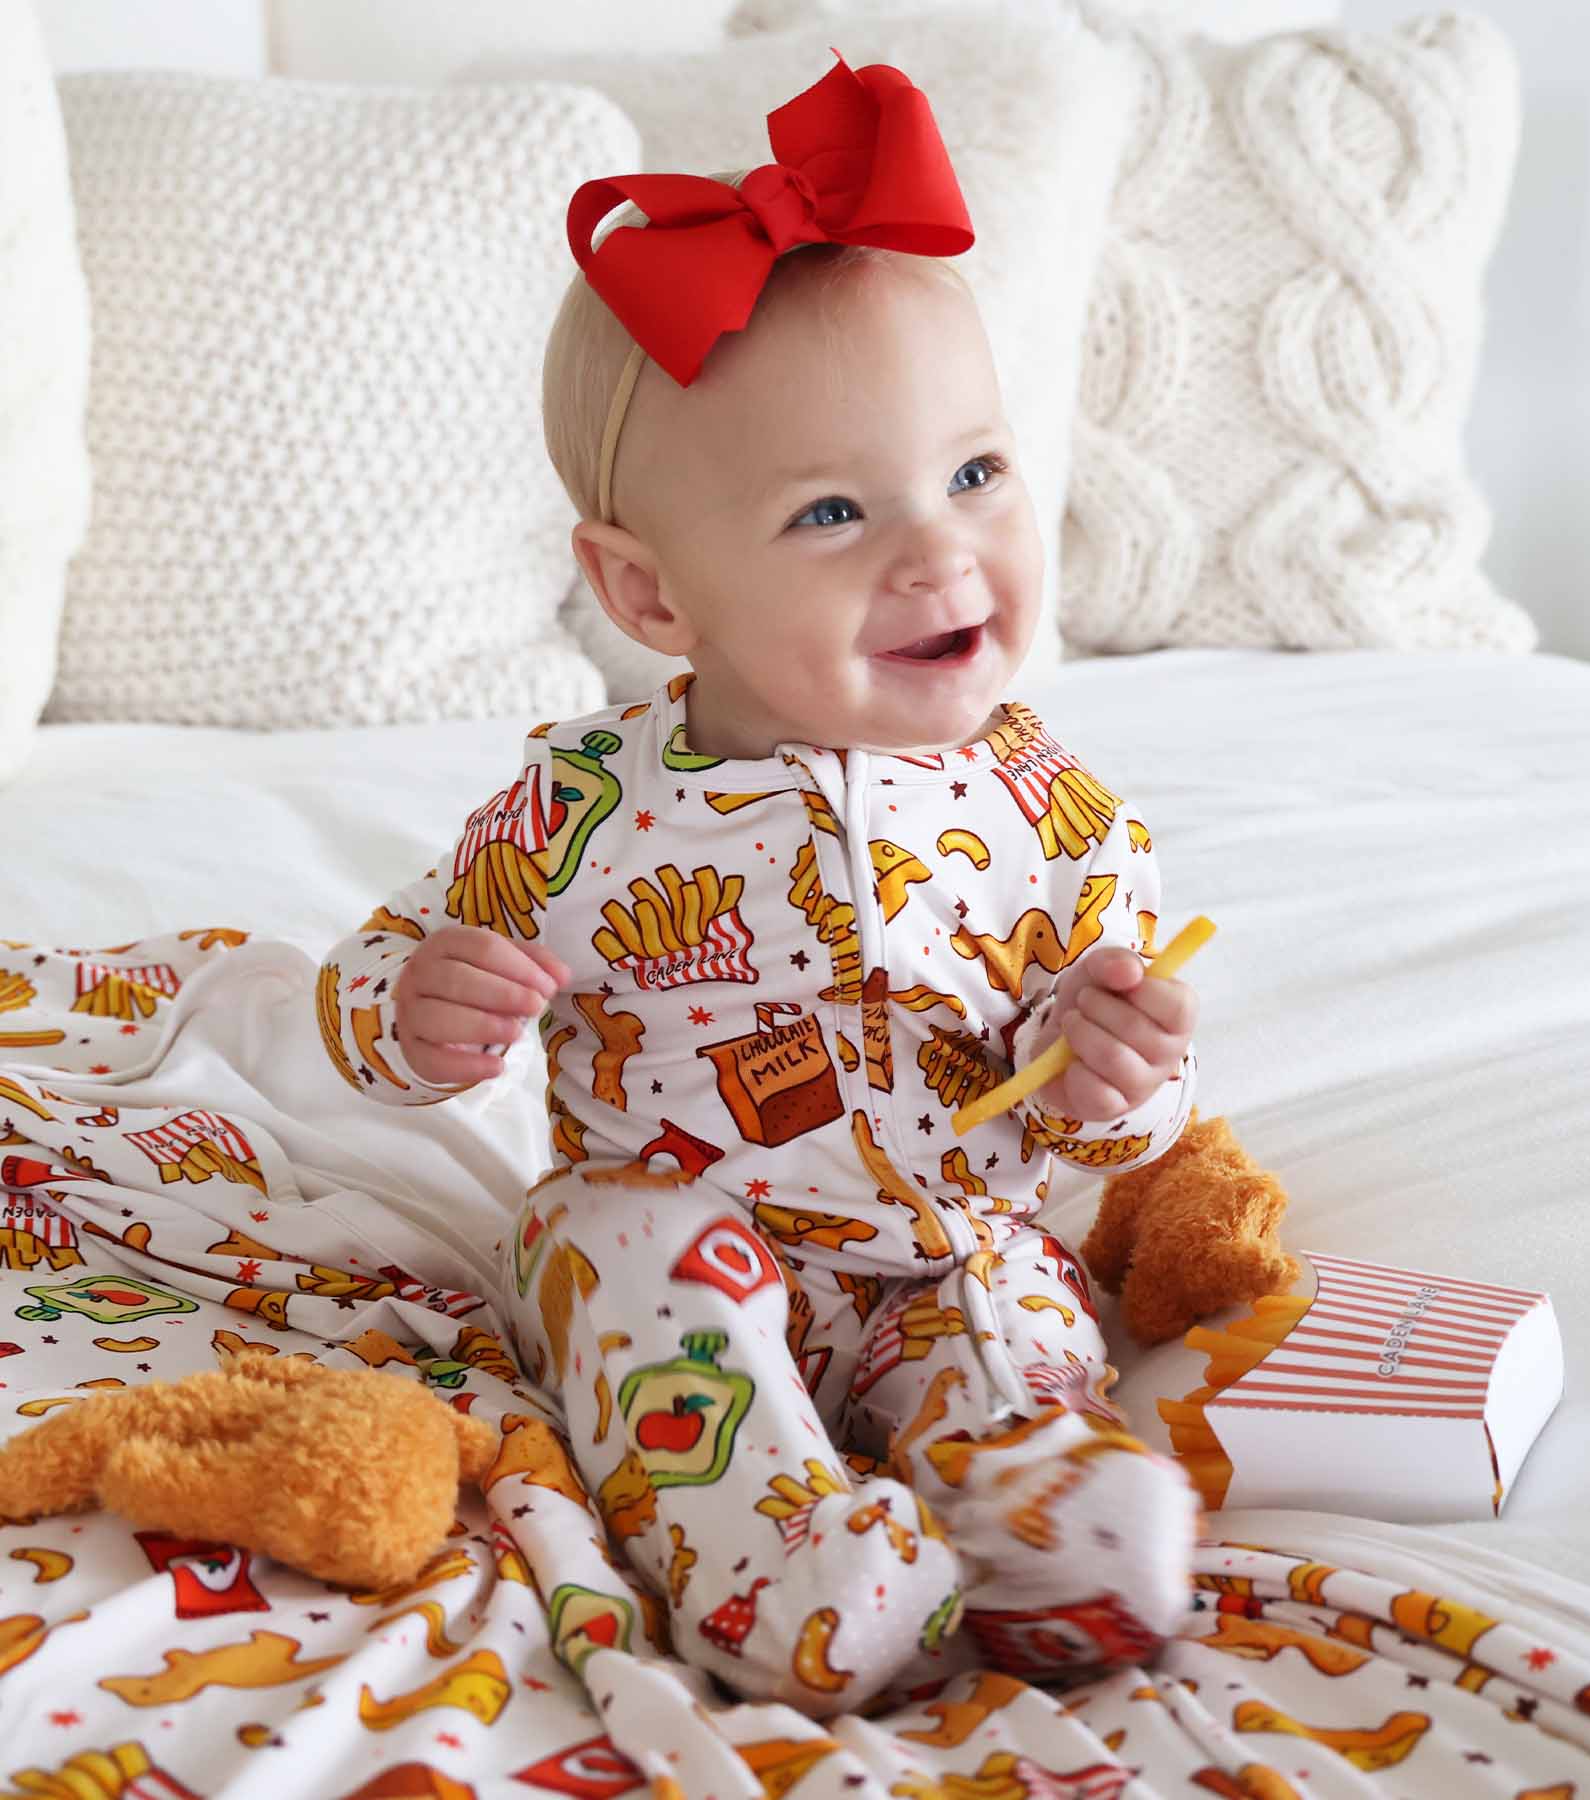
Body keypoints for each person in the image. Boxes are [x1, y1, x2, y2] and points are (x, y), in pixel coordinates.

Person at [317, 53, 1202, 1717]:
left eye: (976, 474)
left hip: (948, 1235)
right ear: (650, 595)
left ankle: (1042, 1514)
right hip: (692, 1224)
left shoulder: (1055, 806)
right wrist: (414, 1013)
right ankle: (786, 1567)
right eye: (830, 511)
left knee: (1014, 1321)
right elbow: (385, 978)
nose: (939, 553)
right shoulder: (580, 813)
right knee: (617, 1254)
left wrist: (1123, 1081)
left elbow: (1124, 1095)